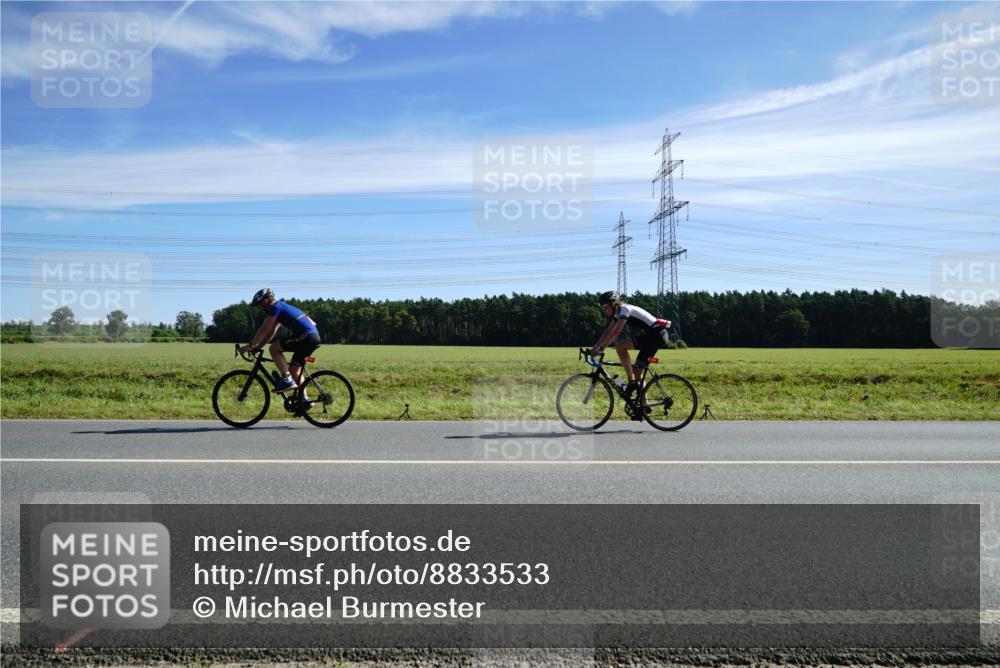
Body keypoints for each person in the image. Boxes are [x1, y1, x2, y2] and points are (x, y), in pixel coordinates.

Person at [589, 291, 671, 396]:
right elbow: (608, 331)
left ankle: (631, 382)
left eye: (604, 306)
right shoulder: (618, 313)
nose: (603, 310)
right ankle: (643, 407)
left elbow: (615, 332)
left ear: (613, 303)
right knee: (637, 373)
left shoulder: (624, 309)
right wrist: (596, 346)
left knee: (621, 347)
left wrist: (601, 349)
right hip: (653, 336)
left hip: (656, 334)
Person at [239, 288, 320, 393]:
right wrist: (258, 347)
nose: (259, 309)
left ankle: (286, 379)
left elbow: (265, 329)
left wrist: (251, 345)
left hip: (306, 336)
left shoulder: (276, 307)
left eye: (259, 306)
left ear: (264, 301)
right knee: (294, 371)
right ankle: (304, 400)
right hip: (312, 337)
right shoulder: (281, 307)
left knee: (274, 348)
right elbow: (271, 332)